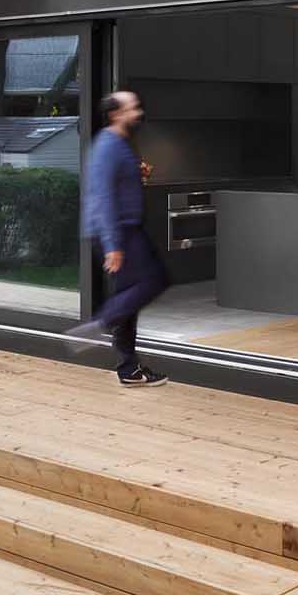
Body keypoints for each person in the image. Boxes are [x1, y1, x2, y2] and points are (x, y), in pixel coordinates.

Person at [78, 89, 168, 386]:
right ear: (116, 114)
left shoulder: (119, 143)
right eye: (133, 108)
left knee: (129, 300)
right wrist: (112, 245)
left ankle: (129, 369)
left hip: (124, 229)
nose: (138, 112)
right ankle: (102, 321)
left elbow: (117, 185)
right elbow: (102, 197)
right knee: (153, 280)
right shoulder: (107, 145)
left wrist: (137, 175)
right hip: (118, 232)